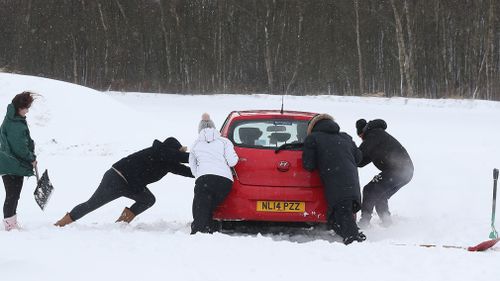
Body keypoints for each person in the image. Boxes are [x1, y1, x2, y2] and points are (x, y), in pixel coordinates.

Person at [54, 137, 193, 227]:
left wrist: (206, 170)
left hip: (131, 185)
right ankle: (62, 223)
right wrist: (203, 155)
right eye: (176, 152)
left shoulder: (167, 163)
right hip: (115, 178)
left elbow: (186, 171)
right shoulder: (159, 151)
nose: (176, 156)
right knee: (92, 204)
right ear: (170, 149)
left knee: (148, 199)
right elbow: (179, 157)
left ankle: (121, 224)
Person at [302, 114, 365, 245]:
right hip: (351, 181)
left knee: (342, 213)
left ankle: (354, 240)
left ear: (312, 127)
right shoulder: (346, 137)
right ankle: (354, 235)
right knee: (339, 215)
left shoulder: (313, 138)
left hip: (335, 182)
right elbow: (358, 158)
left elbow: (309, 165)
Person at [355, 119, 414, 228]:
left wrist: (347, 152)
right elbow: (360, 161)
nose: (362, 140)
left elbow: (358, 155)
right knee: (380, 196)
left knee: (369, 190)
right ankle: (387, 223)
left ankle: (364, 222)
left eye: (361, 137)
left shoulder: (373, 135)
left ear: (362, 132)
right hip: (406, 171)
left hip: (398, 171)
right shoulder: (376, 137)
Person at [189, 113, 238, 234]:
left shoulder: (195, 144)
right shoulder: (224, 142)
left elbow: (193, 166)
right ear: (215, 128)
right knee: (210, 204)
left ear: (199, 129)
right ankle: (210, 227)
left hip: (204, 179)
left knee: (201, 205)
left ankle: (198, 230)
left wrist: (200, 175)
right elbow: (232, 162)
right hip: (224, 181)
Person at [0, 92, 37, 231]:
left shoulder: (13, 119)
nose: (27, 110)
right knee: (12, 195)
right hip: (12, 164)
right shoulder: (15, 123)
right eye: (26, 107)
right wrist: (31, 158)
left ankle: (11, 221)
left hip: (10, 163)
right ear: (19, 107)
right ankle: (10, 225)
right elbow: (20, 147)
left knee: (13, 194)